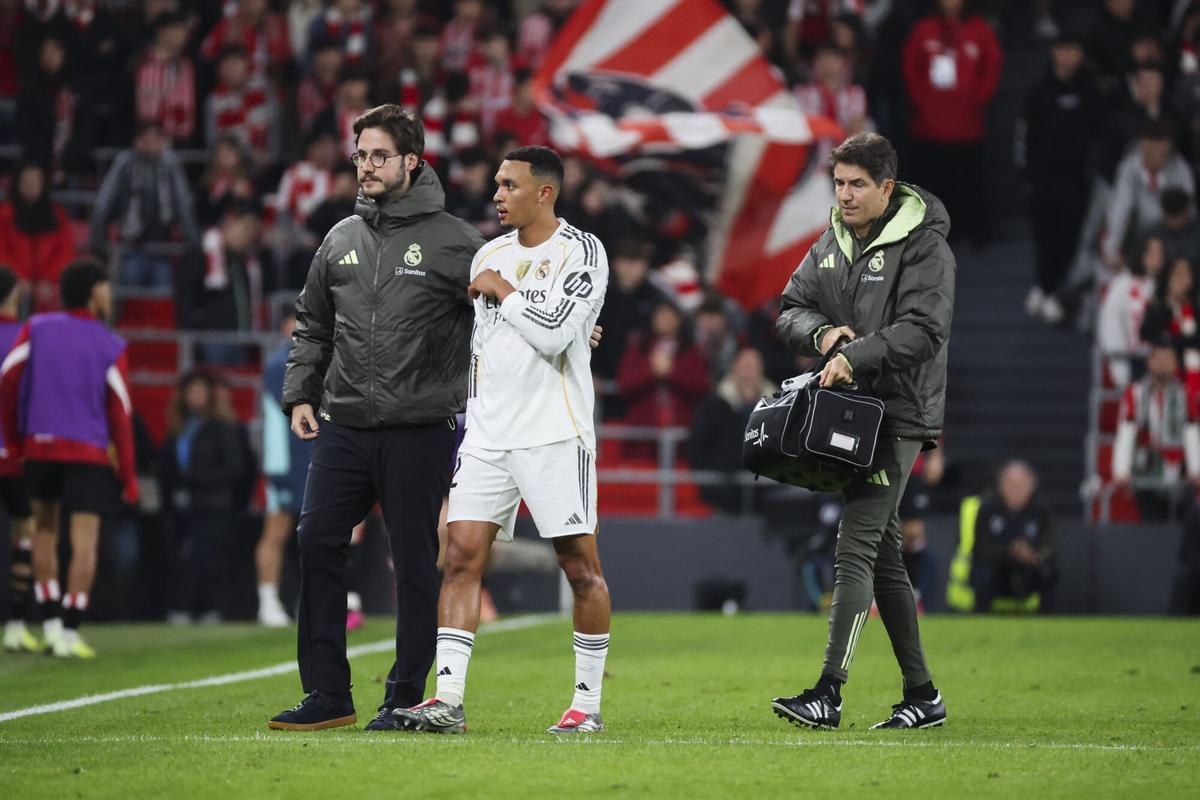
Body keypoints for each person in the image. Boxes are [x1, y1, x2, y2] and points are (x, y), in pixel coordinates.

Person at [271, 105, 485, 732]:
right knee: (315, 542)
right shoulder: (339, 238)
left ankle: (404, 696)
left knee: (414, 562)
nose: (365, 166)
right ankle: (328, 695)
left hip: (420, 425)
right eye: (360, 155)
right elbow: (312, 323)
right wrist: (301, 394)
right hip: (342, 422)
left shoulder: (454, 242)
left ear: (410, 161)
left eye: (378, 156)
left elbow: (499, 317)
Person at [396, 145, 613, 736]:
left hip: (553, 432)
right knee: (461, 554)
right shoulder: (488, 254)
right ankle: (448, 701)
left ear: (545, 192)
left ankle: (586, 705)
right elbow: (488, 346)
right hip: (489, 432)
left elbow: (553, 333)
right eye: (496, 184)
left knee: (579, 566)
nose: (497, 194)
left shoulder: (582, 251)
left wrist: (505, 292)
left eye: (510, 185)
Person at [772, 132, 955, 730]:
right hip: (851, 413)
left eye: (856, 185)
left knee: (855, 543)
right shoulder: (831, 242)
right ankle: (922, 695)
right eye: (839, 184)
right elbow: (790, 307)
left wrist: (860, 354)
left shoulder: (925, 246)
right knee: (883, 559)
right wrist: (823, 337)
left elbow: (926, 329)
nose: (844, 196)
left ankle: (830, 690)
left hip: (899, 413)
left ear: (887, 187)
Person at [0, 259, 138, 658]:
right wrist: (128, 476)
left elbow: (9, 378)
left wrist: (15, 437)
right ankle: (71, 629)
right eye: (107, 287)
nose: (110, 295)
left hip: (40, 447)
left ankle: (52, 624)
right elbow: (121, 416)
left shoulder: (38, 328)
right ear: (95, 290)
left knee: (42, 531)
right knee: (84, 542)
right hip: (89, 453)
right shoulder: (110, 344)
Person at [901, 0, 1002, 244]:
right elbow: (909, 67)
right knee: (932, 181)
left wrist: (977, 101)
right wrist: (922, 103)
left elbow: (992, 68)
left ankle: (973, 231)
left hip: (967, 125)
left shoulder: (980, 31)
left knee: (969, 180)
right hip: (929, 125)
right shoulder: (923, 30)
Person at [1021, 31, 1101, 325]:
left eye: (1073, 50)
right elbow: (1024, 134)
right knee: (1044, 237)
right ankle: (1045, 286)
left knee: (1071, 237)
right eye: (1063, 49)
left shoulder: (1089, 89)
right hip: (1043, 179)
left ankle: (1057, 292)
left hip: (1076, 179)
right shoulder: (1038, 90)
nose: (1068, 56)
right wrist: (1026, 174)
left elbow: (1098, 129)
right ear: (1054, 52)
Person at [158, 370, 250, 623]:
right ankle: (182, 609)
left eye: (200, 390)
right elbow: (167, 466)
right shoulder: (180, 427)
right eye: (191, 391)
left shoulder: (222, 427)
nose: (195, 396)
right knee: (183, 560)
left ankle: (211, 609)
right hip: (183, 507)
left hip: (214, 505)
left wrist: (195, 480)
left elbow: (235, 468)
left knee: (209, 560)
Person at [89, 120, 199, 290]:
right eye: (145, 139)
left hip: (163, 249)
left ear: (162, 141)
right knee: (129, 300)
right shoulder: (124, 163)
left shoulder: (170, 164)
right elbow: (103, 205)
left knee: (162, 303)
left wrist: (192, 244)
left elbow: (184, 204)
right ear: (136, 141)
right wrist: (99, 245)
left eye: (155, 139)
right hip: (131, 248)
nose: (150, 144)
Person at [257, 311, 314, 627]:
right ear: (284, 326)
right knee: (276, 531)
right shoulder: (280, 364)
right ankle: (267, 601)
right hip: (285, 461)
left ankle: (309, 600)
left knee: (317, 534)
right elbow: (278, 420)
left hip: (311, 457)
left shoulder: (317, 357)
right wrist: (276, 468)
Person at [1112, 345, 1200, 521]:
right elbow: (1126, 431)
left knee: (1182, 523)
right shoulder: (1135, 393)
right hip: (1146, 465)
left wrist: (1196, 468)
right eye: (1158, 359)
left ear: (1176, 364)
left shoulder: (1185, 394)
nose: (1162, 364)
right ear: (1149, 363)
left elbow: (1191, 431)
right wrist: (1121, 469)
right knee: (1152, 522)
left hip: (1178, 469)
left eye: (1167, 359)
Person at [0, 269, 37, 652]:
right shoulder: (26, 336)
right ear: (14, 294)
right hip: (13, 453)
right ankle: (15, 622)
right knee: (26, 533)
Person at [970, 461, 1056, 612]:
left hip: (1029, 566)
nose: (1016, 489)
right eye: (1010, 484)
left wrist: (1034, 555)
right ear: (1000, 485)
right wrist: (1010, 551)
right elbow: (981, 549)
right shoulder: (988, 507)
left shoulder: (1042, 508)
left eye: (1021, 484)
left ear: (1032, 485)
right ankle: (981, 619)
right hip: (997, 567)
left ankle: (1046, 619)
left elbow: (1049, 545)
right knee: (982, 573)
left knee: (1049, 571)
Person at [0, 162, 77, 311]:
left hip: (49, 287)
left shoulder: (57, 216)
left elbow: (65, 253)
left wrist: (49, 279)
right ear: (18, 184)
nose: (31, 185)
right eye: (26, 181)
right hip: (9, 284)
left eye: (35, 181)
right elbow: (1, 253)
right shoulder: (3, 216)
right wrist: (17, 279)